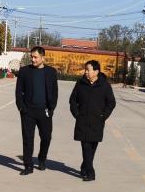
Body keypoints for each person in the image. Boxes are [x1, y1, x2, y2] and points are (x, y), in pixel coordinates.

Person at [68, 60, 115, 181]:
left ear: (96, 71)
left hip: (97, 122)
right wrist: (76, 114)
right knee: (86, 147)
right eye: (85, 69)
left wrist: (103, 116)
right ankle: (90, 172)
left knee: (92, 147)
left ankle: (84, 166)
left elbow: (111, 102)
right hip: (82, 121)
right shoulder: (80, 83)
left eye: (88, 70)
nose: (85, 72)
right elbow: (72, 100)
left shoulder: (105, 85)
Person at [15, 46, 59, 174]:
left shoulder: (51, 72)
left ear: (43, 58)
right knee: (28, 139)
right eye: (32, 57)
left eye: (36, 57)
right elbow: (18, 91)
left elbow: (54, 92)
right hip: (28, 111)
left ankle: (42, 159)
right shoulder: (25, 71)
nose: (33, 59)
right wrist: (21, 108)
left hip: (45, 111)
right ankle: (28, 166)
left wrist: (51, 108)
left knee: (46, 137)